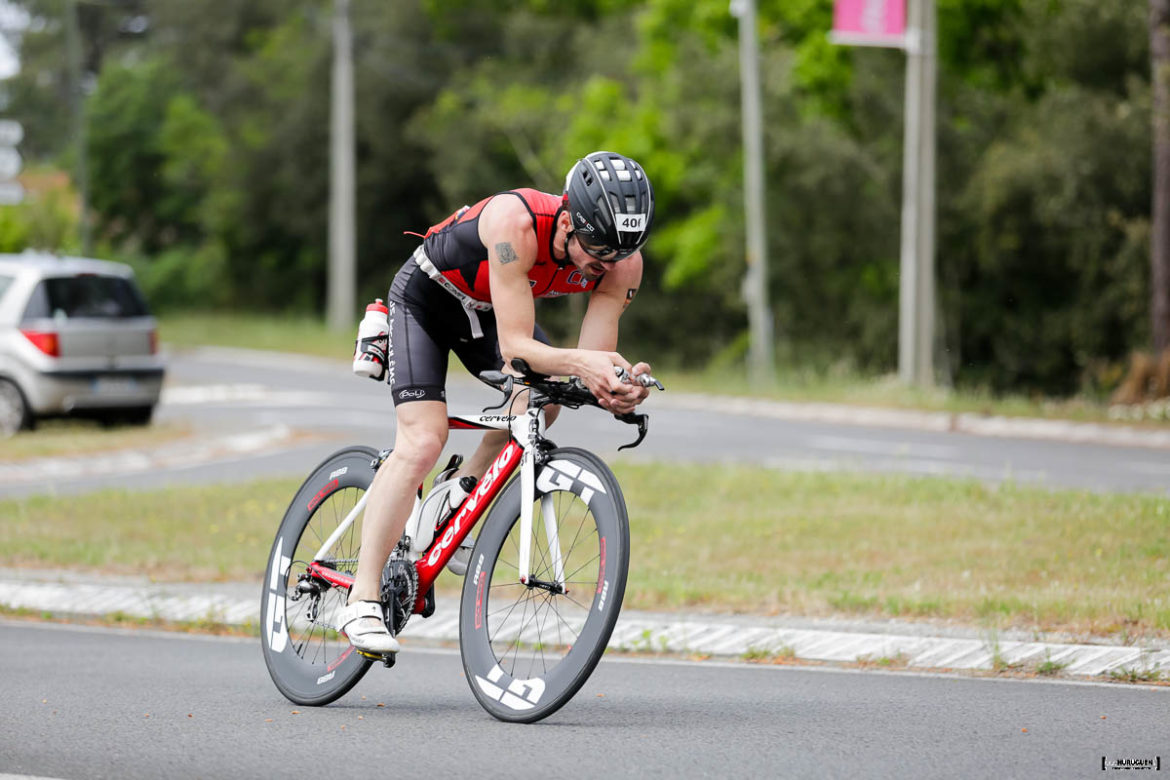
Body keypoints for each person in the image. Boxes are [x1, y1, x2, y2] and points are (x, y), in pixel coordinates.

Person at [337, 151, 657, 654]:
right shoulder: (517, 224)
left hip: (487, 308)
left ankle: (459, 490)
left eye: (620, 253)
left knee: (545, 402)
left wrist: (618, 390)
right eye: (596, 248)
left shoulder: (621, 263)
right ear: (570, 219)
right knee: (423, 440)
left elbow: (587, 366)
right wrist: (587, 366)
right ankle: (361, 599)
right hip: (427, 300)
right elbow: (516, 348)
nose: (604, 264)